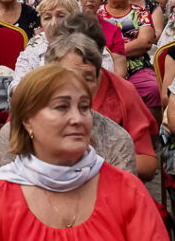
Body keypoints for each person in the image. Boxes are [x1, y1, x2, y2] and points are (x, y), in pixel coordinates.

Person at [0, 63, 168, 241]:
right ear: (27, 121)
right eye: (61, 107)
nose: (78, 118)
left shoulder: (127, 190)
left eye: (84, 107)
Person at [47, 22, 159, 183]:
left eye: (88, 76)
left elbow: (148, 165)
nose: (78, 85)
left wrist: (94, 165)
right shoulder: (36, 95)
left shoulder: (122, 93)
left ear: (100, 54)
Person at [12, 0, 87, 88]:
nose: (54, 23)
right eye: (47, 18)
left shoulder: (90, 49)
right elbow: (16, 89)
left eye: (61, 16)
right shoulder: (33, 49)